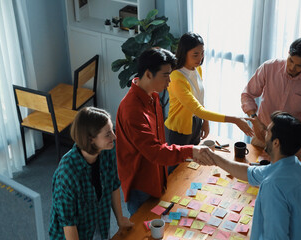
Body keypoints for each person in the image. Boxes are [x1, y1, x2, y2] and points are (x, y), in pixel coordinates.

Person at [116, 48, 213, 216]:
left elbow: (159, 144)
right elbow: (155, 152)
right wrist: (192, 150)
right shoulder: (132, 110)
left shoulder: (152, 95)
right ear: (148, 74)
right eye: (165, 75)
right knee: (143, 228)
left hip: (156, 174)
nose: (169, 81)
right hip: (141, 182)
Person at [200, 112, 301, 239]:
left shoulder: (273, 186)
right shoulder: (296, 167)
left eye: (268, 132)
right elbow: (249, 173)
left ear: (276, 143)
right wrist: (214, 158)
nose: (264, 134)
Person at [165, 32, 253, 173]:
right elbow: (197, 109)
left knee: (192, 167)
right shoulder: (176, 78)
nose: (200, 58)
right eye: (195, 54)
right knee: (176, 170)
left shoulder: (197, 69)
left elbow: (199, 99)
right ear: (184, 53)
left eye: (202, 53)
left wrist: (204, 122)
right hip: (179, 130)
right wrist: (234, 120)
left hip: (195, 124)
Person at [49, 107, 133, 240]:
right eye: (107, 134)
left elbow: (113, 185)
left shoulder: (107, 150)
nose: (114, 136)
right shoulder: (66, 174)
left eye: (112, 129)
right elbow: (69, 224)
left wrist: (120, 219)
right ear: (91, 139)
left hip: (99, 225)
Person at [241, 38, 301, 148]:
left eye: (299, 66)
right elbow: (247, 94)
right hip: (262, 134)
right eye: (291, 60)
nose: (292, 67)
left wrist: (299, 144)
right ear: (288, 53)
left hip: (290, 142)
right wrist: (255, 120)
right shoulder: (269, 67)